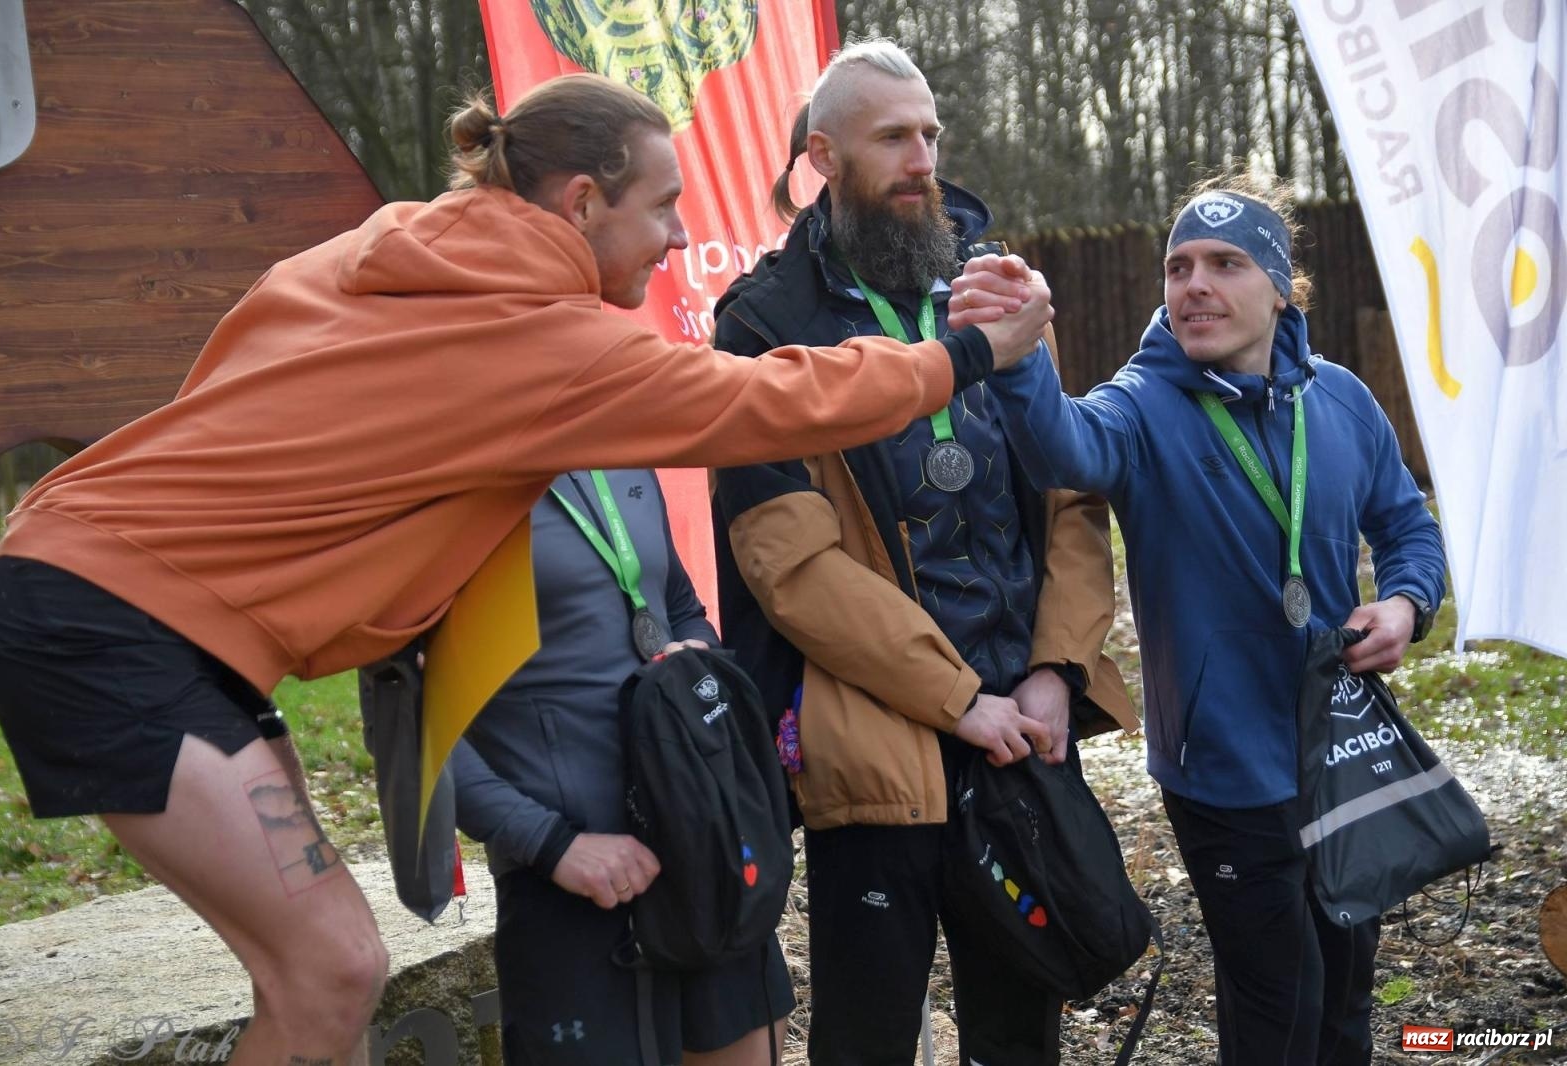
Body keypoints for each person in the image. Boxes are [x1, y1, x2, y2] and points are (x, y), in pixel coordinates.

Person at [0, 73, 1058, 1065]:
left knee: (316, 981)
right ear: (581, 203)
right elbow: (763, 400)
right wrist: (966, 354)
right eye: (663, 206)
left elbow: (229, 376)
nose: (682, 235)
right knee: (332, 968)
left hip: (115, 584)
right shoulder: (539, 340)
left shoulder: (373, 250)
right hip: (106, 615)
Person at [951, 174, 1447, 1065]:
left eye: (1225, 264)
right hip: (1222, 766)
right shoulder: (1144, 404)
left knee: (1345, 994)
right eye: (1178, 267)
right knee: (1278, 1003)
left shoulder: (1339, 400)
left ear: (1280, 285)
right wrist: (1021, 357)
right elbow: (1063, 445)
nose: (1195, 286)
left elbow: (1408, 526)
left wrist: (1407, 602)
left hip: (1338, 749)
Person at [709, 41, 1137, 1066]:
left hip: (1019, 733)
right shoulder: (763, 325)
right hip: (874, 741)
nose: (923, 160)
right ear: (824, 156)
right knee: (866, 1038)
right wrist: (957, 699)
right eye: (894, 137)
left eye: (932, 135)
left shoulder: (996, 287)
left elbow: (1071, 500)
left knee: (1019, 1036)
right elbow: (792, 568)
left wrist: (1055, 670)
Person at [449, 468, 790, 1066]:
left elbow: (677, 605)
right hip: (575, 876)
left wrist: (694, 655)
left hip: (697, 842)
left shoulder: (619, 452)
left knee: (758, 1034)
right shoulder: (438, 480)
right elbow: (409, 730)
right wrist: (550, 844)